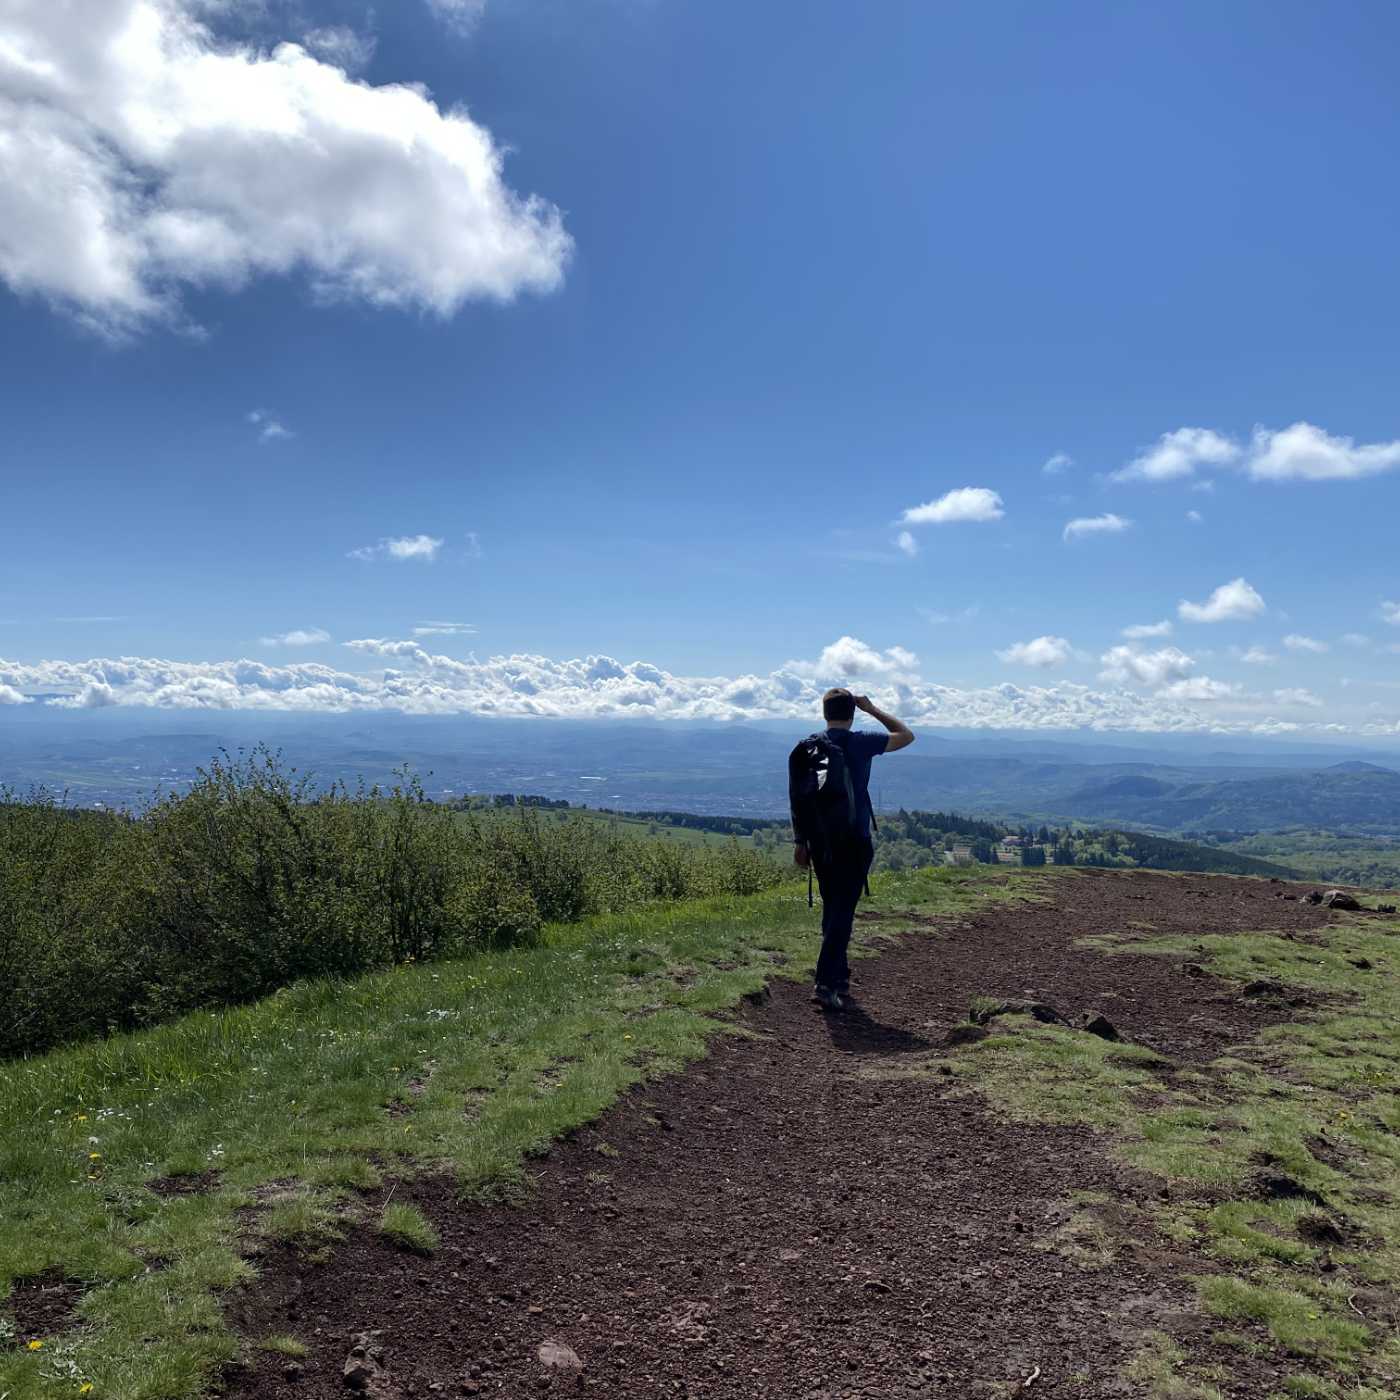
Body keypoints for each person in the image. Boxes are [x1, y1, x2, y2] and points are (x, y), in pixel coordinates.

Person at [793, 688, 914, 1011]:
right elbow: (906, 735)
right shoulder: (860, 742)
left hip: (821, 842)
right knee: (843, 912)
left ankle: (840, 976)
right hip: (855, 840)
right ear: (852, 712)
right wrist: (872, 708)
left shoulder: (808, 746)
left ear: (824, 712)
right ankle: (825, 982)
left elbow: (799, 799)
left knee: (833, 907)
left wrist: (800, 843)